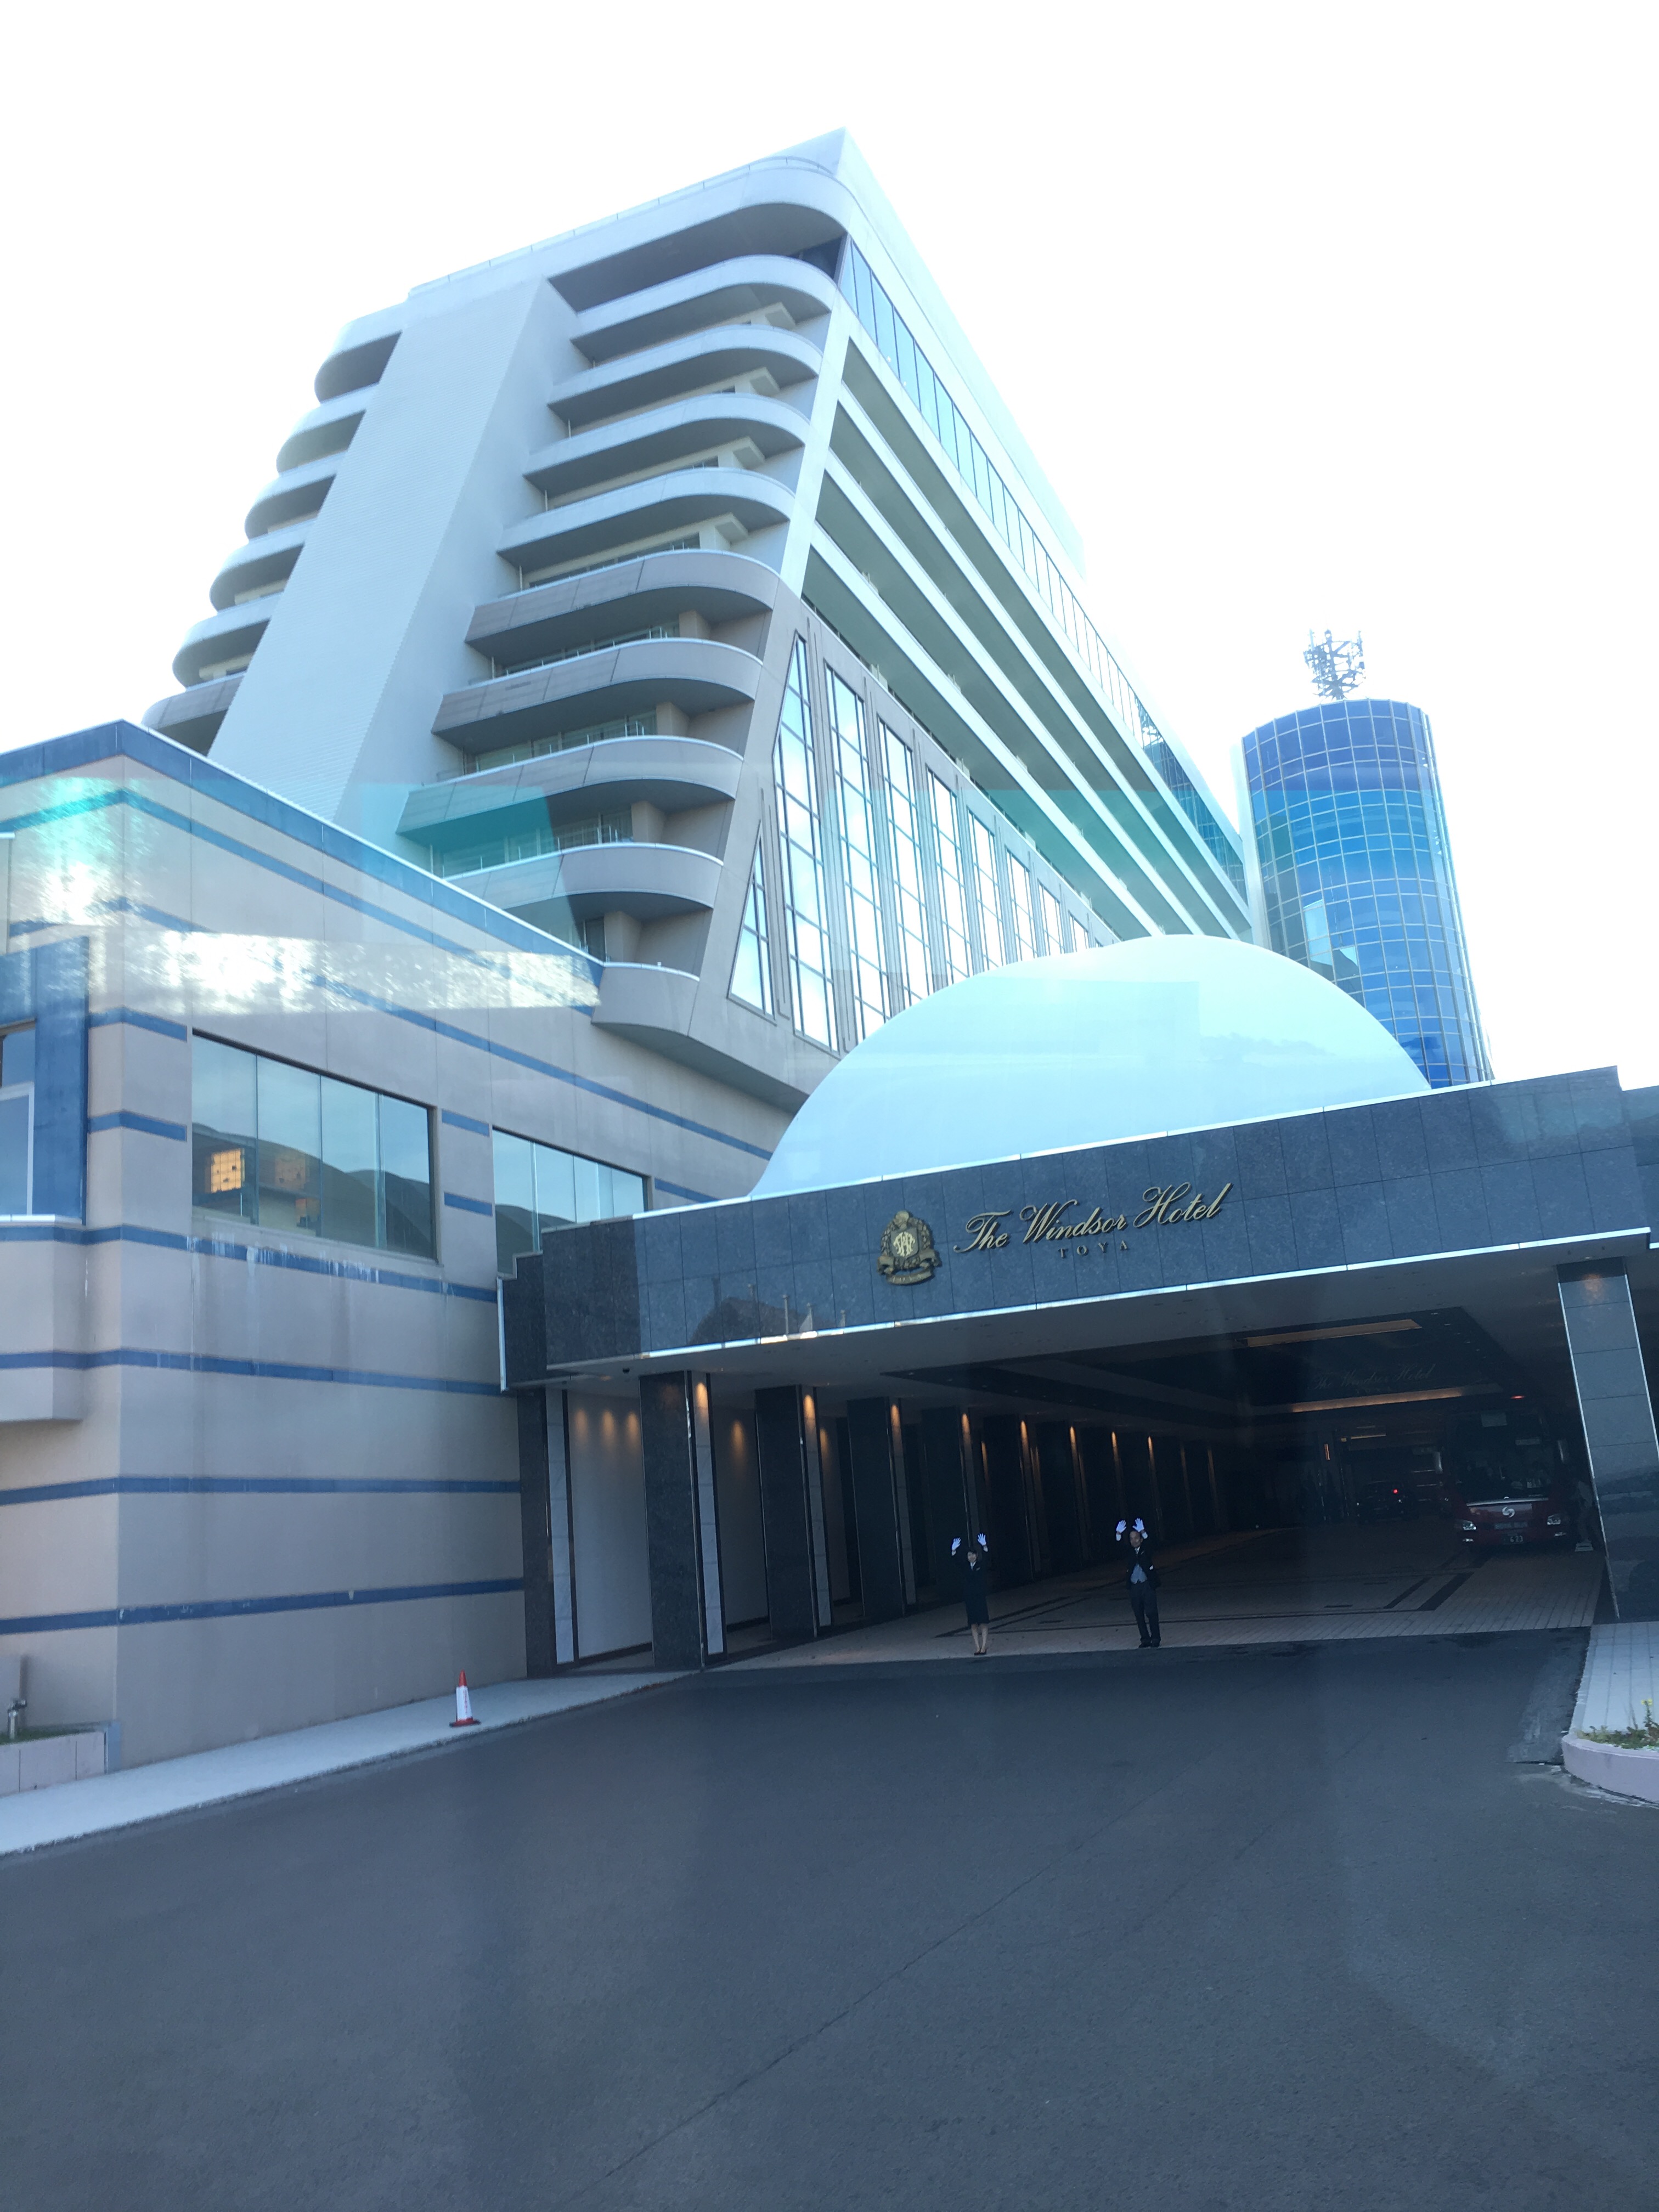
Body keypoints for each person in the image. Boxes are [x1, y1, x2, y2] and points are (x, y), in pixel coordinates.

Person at [1117, 1517, 1161, 1647]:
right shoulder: (1130, 1552)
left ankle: (1156, 1638)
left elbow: (1152, 1545)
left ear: (1141, 1539)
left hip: (1147, 1584)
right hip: (1134, 1586)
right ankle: (1145, 1639)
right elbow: (1120, 1549)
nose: (1134, 1541)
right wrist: (1118, 1535)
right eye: (1131, 1539)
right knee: (1138, 1613)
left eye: (1136, 1538)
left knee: (1151, 1612)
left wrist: (1143, 1532)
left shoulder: (1146, 1549)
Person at [952, 1532, 991, 1656]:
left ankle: (984, 1646)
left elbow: (987, 1559)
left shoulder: (980, 1565)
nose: (971, 1557)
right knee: (973, 1623)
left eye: (973, 1555)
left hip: (980, 1597)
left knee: (983, 1622)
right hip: (970, 1598)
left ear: (976, 1555)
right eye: (969, 1555)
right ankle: (977, 1647)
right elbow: (956, 1562)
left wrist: (984, 1547)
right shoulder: (965, 1567)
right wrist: (954, 1551)